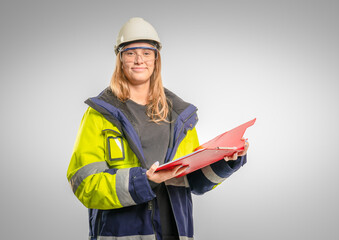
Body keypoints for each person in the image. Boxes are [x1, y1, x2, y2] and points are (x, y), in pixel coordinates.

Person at [67, 17, 249, 240]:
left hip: (174, 231)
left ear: (156, 58)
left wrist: (226, 160)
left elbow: (192, 180)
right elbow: (84, 183)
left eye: (146, 52)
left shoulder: (180, 116)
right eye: (130, 52)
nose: (139, 60)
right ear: (120, 59)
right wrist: (144, 181)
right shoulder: (99, 114)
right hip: (123, 233)